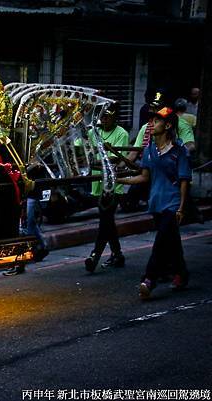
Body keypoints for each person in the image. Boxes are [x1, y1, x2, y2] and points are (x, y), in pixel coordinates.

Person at [117, 107, 191, 300]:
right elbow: (144, 177)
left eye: (157, 121)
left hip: (173, 203)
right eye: (153, 120)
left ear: (167, 126)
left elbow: (184, 180)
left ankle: (150, 279)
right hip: (156, 202)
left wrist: (182, 207)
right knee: (172, 241)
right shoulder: (149, 150)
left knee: (160, 242)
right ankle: (181, 274)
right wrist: (120, 181)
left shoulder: (178, 150)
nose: (152, 124)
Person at [84, 103, 129, 272]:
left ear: (114, 117)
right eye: (102, 116)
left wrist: (94, 160)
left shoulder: (121, 134)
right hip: (97, 183)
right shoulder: (93, 132)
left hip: (113, 185)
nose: (104, 119)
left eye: (107, 116)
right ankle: (117, 254)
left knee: (105, 220)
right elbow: (83, 150)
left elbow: (116, 159)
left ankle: (94, 255)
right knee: (108, 220)